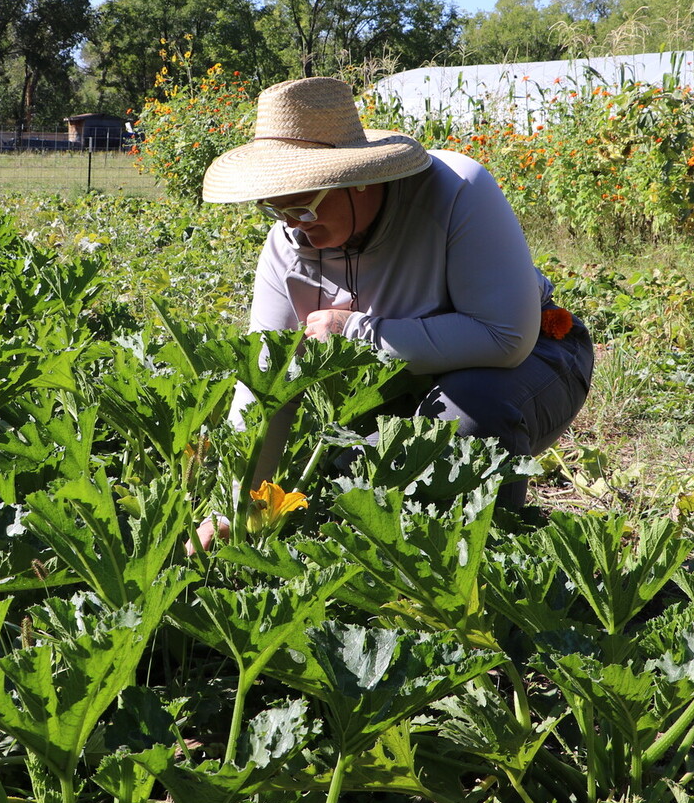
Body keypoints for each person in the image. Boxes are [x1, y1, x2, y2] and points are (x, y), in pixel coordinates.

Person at [201, 76, 593, 508]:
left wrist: (353, 331)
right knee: (346, 469)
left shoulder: (457, 190)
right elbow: (265, 378)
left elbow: (505, 340)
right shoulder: (286, 241)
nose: (293, 223)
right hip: (402, 383)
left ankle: (491, 557)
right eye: (276, 208)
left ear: (358, 178)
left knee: (468, 422)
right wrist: (235, 503)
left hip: (533, 357)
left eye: (305, 205)